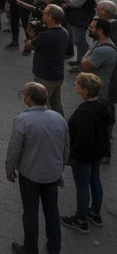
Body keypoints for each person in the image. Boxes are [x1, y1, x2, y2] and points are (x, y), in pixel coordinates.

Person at [6, 82, 68, 254]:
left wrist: (9, 169)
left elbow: (14, 149)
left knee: (31, 212)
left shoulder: (23, 120)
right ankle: (54, 246)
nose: (24, 96)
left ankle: (30, 249)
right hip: (52, 174)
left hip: (30, 174)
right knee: (52, 211)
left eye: (24, 94)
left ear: (29, 99)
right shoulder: (58, 118)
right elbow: (65, 148)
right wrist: (60, 169)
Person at [59, 73, 112, 235]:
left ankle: (80, 219)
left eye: (78, 84)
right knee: (95, 180)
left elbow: (83, 139)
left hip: (84, 155)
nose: (75, 84)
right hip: (98, 151)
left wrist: (73, 154)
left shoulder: (85, 112)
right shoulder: (105, 103)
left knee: (82, 184)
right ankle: (95, 212)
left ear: (85, 90)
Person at [24, 5, 69, 115]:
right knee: (56, 103)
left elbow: (29, 46)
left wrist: (31, 36)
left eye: (44, 13)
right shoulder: (64, 31)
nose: (42, 15)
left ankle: (47, 126)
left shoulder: (46, 35)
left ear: (50, 16)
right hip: (57, 75)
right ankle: (60, 122)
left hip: (45, 77)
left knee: (43, 105)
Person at [63, 0, 96, 69]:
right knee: (77, 41)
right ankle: (79, 60)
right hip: (71, 17)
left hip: (81, 19)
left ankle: (83, 65)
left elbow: (77, 3)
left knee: (79, 42)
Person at [81, 19, 117, 100]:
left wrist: (85, 56)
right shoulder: (97, 42)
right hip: (94, 88)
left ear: (100, 31)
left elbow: (84, 66)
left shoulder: (103, 50)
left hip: (99, 93)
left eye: (91, 27)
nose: (89, 29)